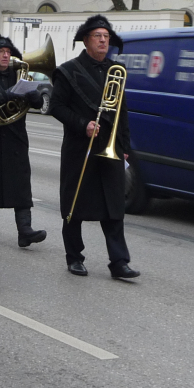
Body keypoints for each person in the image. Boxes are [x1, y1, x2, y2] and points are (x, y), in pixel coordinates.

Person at [50, 15, 139, 279]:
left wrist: (123, 146)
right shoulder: (68, 70)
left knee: (114, 206)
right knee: (75, 202)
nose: (103, 40)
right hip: (80, 146)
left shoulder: (116, 70)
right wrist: (82, 124)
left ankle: (119, 261)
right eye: (98, 36)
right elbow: (56, 107)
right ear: (86, 40)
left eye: (106, 37)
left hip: (109, 146)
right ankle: (74, 256)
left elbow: (121, 112)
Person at [0, 35, 47, 247]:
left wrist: (34, 96)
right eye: (1, 52)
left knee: (21, 184)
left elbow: (35, 104)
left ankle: (25, 230)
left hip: (16, 136)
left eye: (8, 52)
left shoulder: (19, 75)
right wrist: (5, 96)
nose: (6, 55)